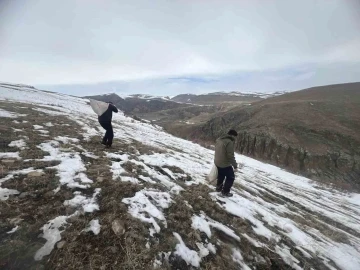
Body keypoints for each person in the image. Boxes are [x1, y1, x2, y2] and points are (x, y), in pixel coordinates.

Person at [214, 129, 238, 197]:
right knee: (231, 177)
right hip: (224, 163)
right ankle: (225, 192)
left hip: (217, 161)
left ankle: (218, 188)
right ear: (232, 135)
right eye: (235, 137)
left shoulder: (219, 139)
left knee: (221, 174)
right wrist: (235, 166)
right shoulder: (229, 142)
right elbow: (230, 155)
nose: (235, 139)